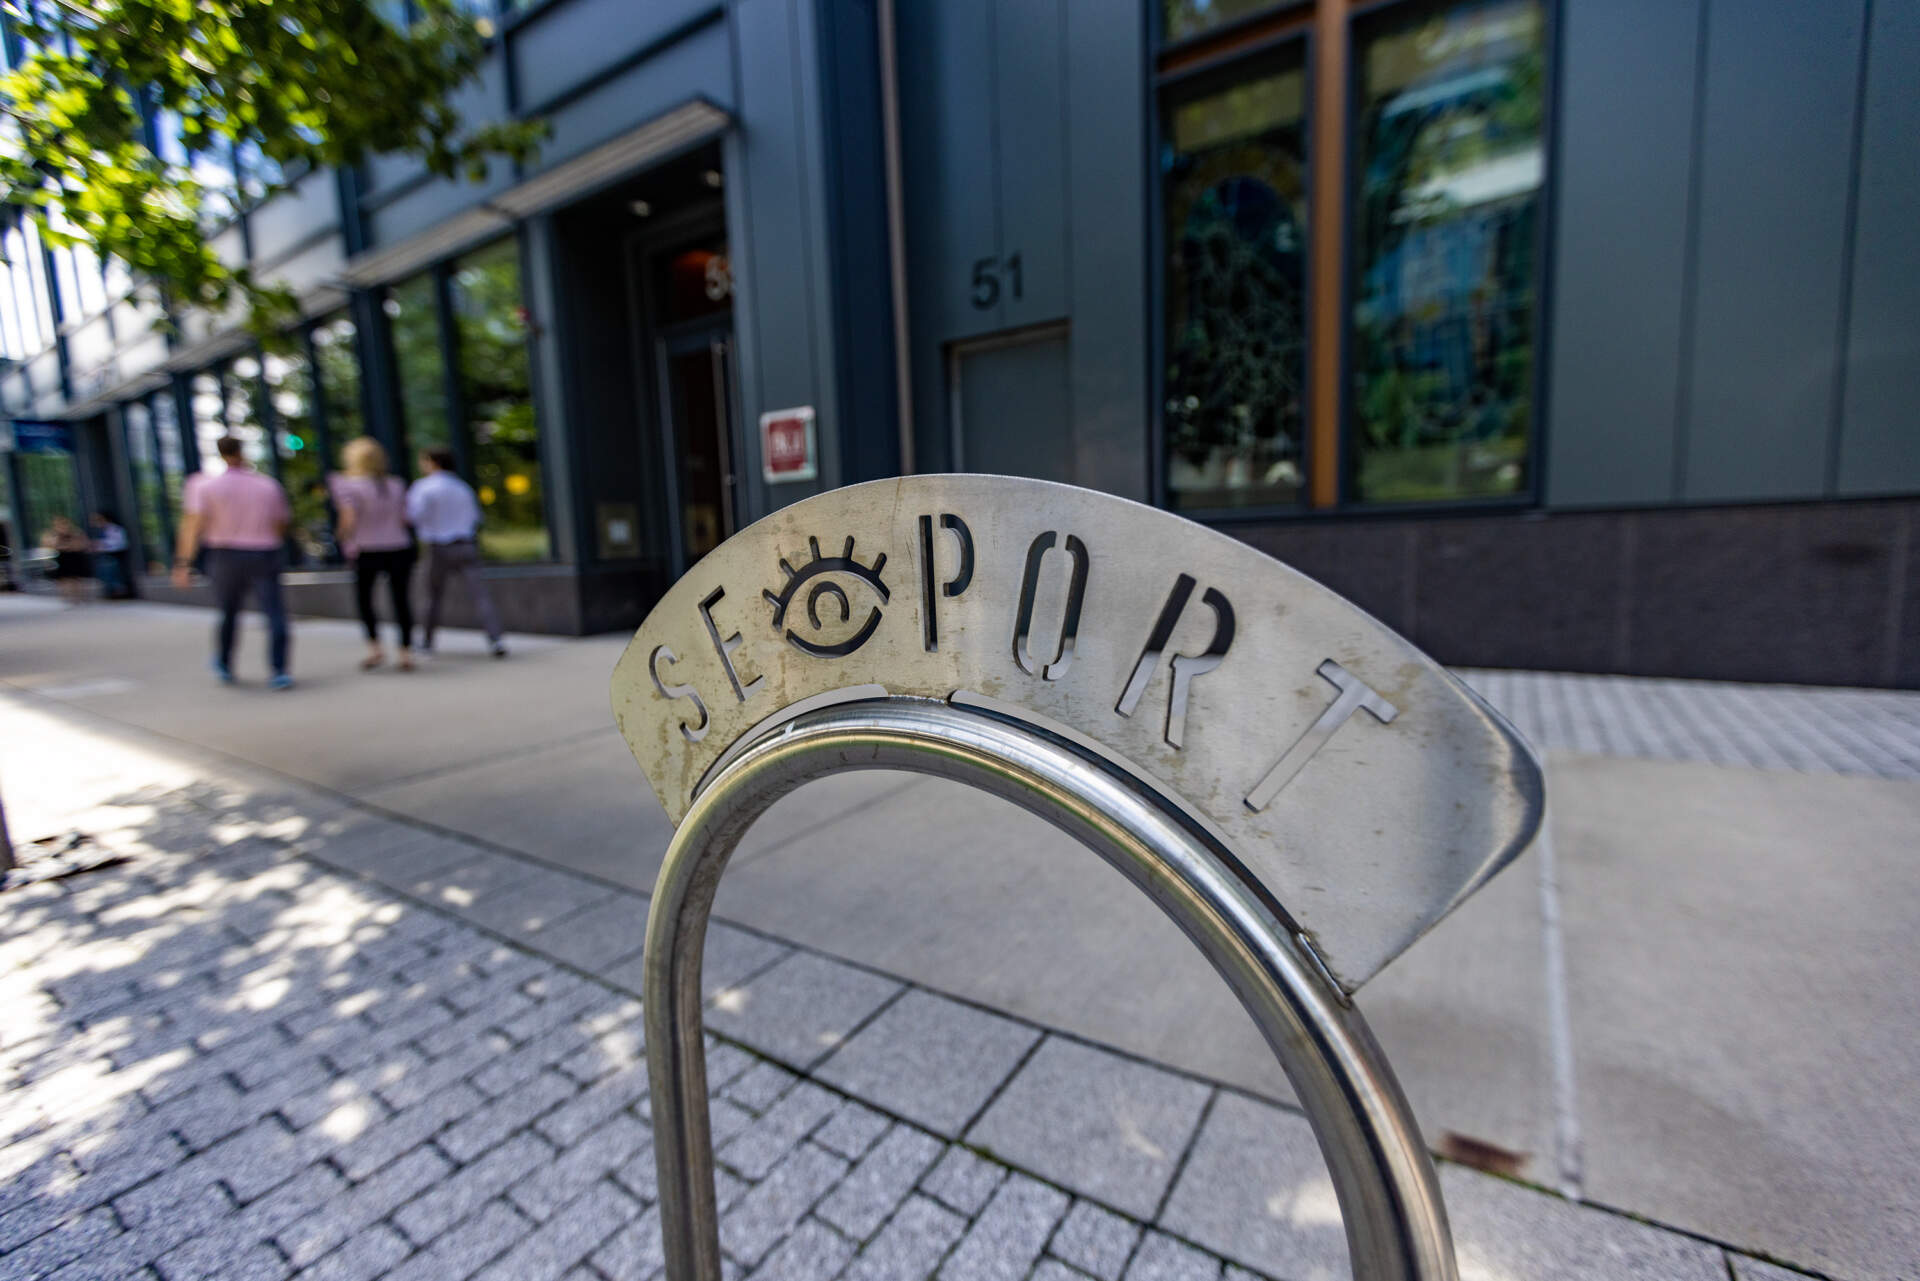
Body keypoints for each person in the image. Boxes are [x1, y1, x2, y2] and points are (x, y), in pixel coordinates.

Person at [173, 436, 294, 688]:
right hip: (265, 552)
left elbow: (192, 527)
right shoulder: (268, 485)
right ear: (242, 451)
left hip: (226, 554)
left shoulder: (205, 486)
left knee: (228, 612)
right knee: (274, 613)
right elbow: (281, 522)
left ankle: (225, 663)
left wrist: (183, 564)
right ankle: (279, 669)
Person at [406, 448, 506, 658]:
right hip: (465, 544)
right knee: (480, 595)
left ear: (432, 462)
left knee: (431, 597)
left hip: (437, 547)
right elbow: (476, 518)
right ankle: (496, 639)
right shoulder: (463, 488)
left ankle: (426, 642)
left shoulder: (424, 487)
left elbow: (414, 516)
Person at [329, 437, 416, 672]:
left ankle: (375, 649)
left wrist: (341, 537)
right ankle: (405, 652)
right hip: (398, 546)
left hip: (366, 549)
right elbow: (406, 518)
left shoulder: (347, 484)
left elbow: (349, 518)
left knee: (365, 600)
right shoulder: (395, 484)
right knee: (401, 600)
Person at [41, 516, 92, 604]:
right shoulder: (54, 534)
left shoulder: (76, 533)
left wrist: (67, 546)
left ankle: (81, 597)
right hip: (63, 557)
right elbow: (48, 545)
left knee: (77, 578)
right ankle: (69, 598)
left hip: (74, 557)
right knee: (64, 579)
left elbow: (81, 545)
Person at [89, 511, 131, 600]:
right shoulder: (102, 531)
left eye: (98, 520)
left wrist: (101, 545)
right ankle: (112, 593)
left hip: (113, 555)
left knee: (115, 576)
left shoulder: (114, 529)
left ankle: (120, 594)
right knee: (106, 575)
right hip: (105, 556)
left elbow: (120, 543)